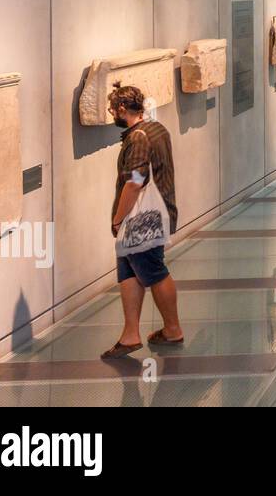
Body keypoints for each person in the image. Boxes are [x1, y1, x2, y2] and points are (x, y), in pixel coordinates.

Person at [102, 84, 183, 359]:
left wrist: (118, 217)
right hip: (157, 213)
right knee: (128, 270)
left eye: (113, 109)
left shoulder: (137, 138)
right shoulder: (157, 128)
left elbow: (135, 182)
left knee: (154, 270)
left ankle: (173, 330)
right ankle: (130, 334)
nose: (112, 114)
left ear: (122, 109)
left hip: (144, 219)